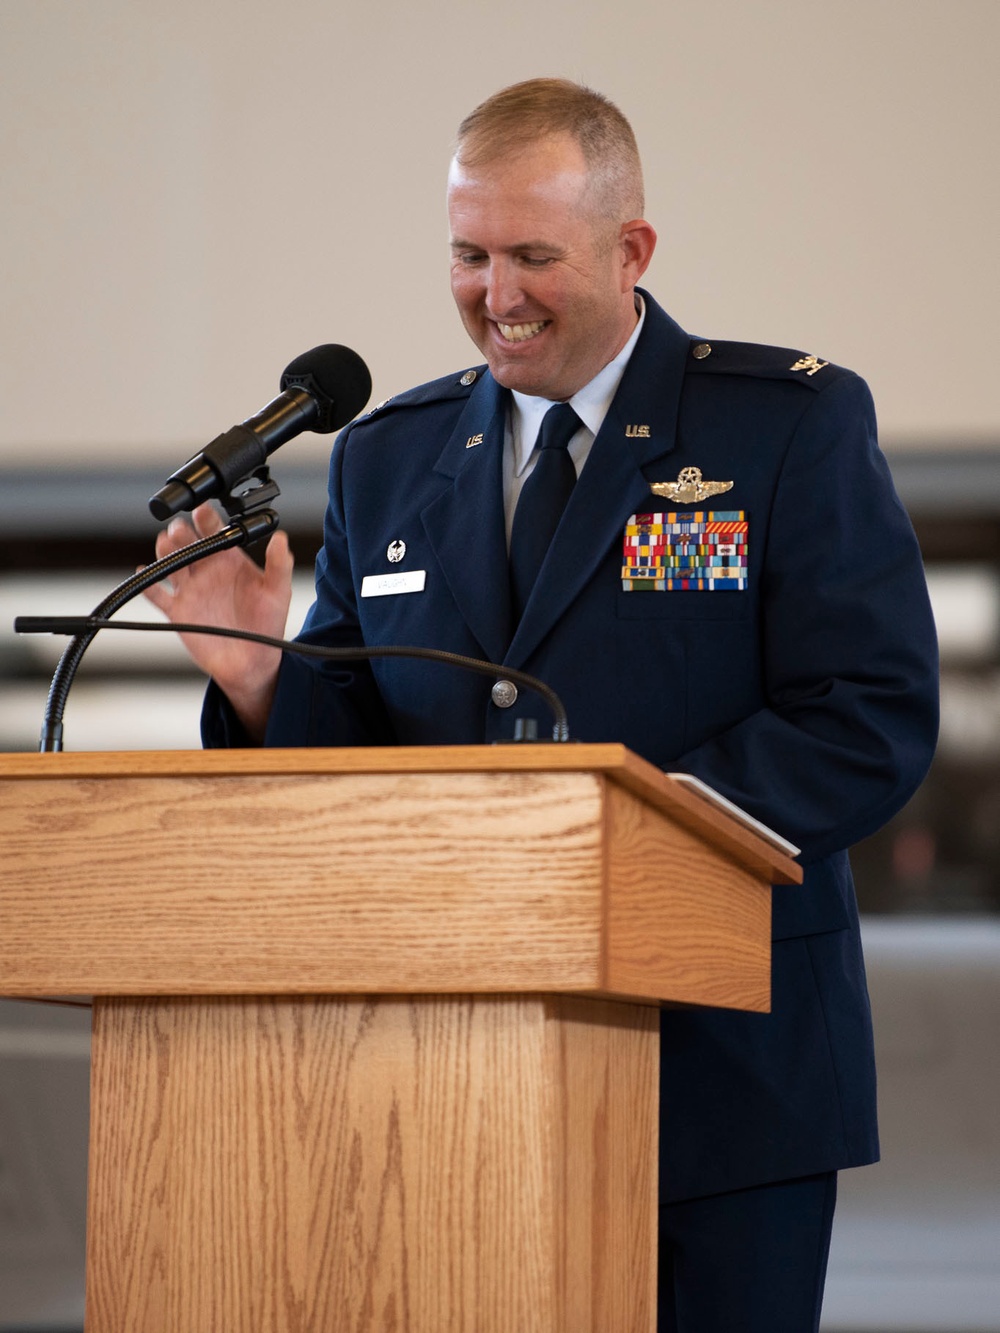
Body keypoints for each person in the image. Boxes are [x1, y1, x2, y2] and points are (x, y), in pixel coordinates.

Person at [146, 78, 939, 1332]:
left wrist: (640, 842)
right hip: (438, 1079)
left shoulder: (783, 426)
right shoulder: (386, 455)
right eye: (467, 255)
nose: (494, 296)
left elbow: (868, 710)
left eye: (531, 256)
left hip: (724, 1077)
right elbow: (356, 752)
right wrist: (258, 678)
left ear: (631, 252)